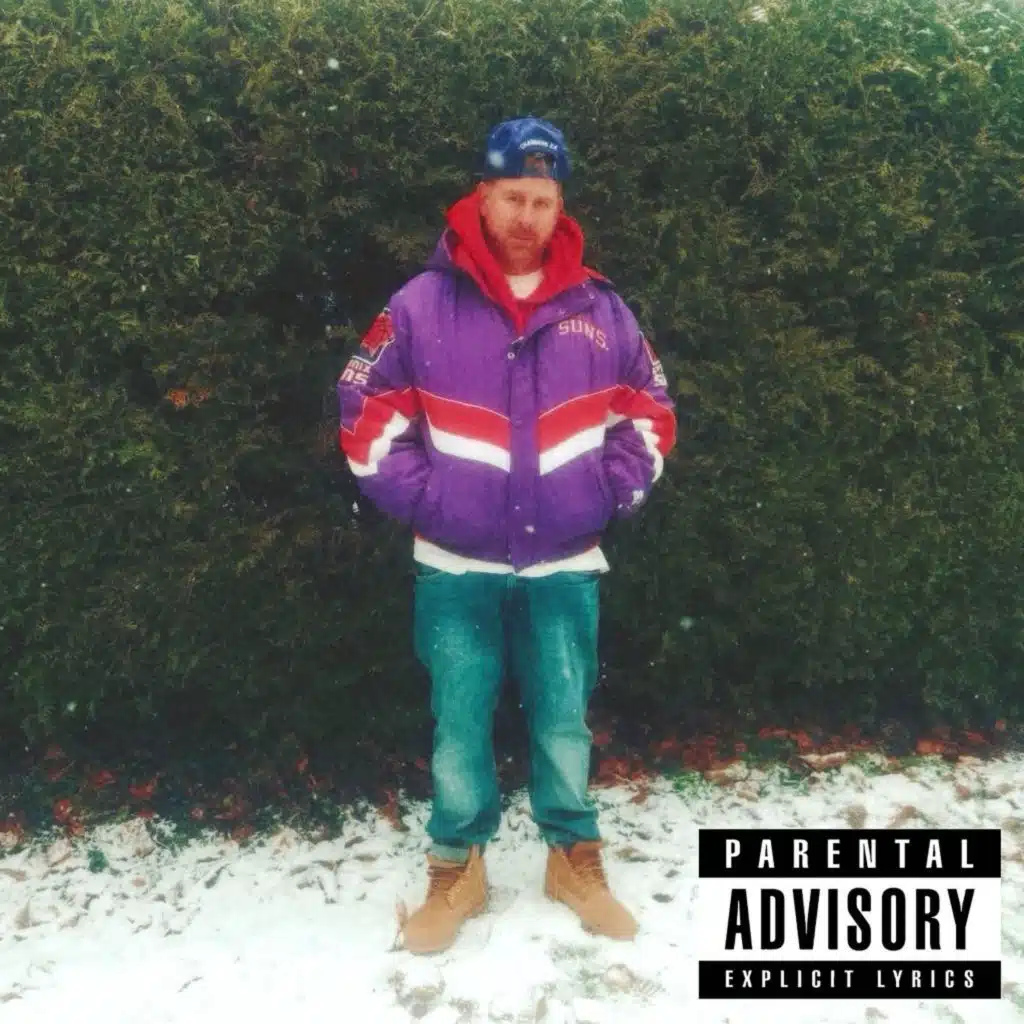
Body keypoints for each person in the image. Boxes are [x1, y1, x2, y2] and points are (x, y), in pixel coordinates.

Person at [336, 116, 677, 954]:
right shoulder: (418, 305)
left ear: (561, 208)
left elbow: (649, 408)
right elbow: (364, 410)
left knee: (564, 721)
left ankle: (573, 859)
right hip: (455, 566)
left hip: (565, 561)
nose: (527, 216)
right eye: (513, 197)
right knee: (459, 724)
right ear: (482, 198)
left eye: (542, 200)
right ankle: (457, 867)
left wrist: (608, 491)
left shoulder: (601, 308)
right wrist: (430, 502)